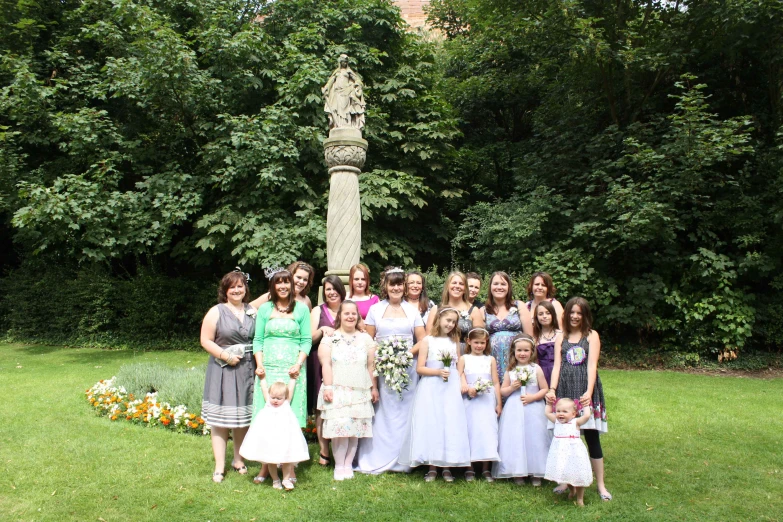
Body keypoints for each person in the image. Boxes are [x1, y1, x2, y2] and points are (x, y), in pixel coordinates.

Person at [355, 268, 426, 474]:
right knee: (384, 411)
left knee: (405, 410)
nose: (395, 288)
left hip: (407, 368)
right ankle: (379, 456)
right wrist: (383, 359)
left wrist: (404, 356)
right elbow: (369, 340)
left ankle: (404, 458)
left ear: (404, 287)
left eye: (399, 284)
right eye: (391, 284)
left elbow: (422, 340)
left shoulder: (412, 310)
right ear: (385, 286)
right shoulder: (376, 310)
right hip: (382, 367)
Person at [200, 270, 265, 483]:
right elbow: (205, 340)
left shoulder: (252, 310)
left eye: (240, 286)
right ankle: (220, 465)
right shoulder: (216, 311)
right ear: (225, 291)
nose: (237, 290)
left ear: (246, 289)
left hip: (247, 368)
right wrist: (225, 355)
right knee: (221, 420)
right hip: (224, 369)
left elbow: (272, 294)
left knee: (243, 417)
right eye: (232, 287)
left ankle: (238, 459)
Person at [545, 297, 611, 501]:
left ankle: (600, 485)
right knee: (565, 439)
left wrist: (589, 392)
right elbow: (557, 366)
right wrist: (552, 389)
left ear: (585, 315)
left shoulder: (591, 336)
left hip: (584, 391)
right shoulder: (561, 337)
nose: (575, 316)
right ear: (566, 314)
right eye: (571, 312)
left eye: (579, 313)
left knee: (592, 439)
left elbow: (592, 366)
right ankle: (565, 480)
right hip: (564, 390)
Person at [251, 269, 311, 484]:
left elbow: (306, 340)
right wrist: (259, 365)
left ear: (292, 286)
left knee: (289, 418)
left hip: (291, 369)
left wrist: (298, 363)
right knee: (266, 417)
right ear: (273, 286)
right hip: (268, 368)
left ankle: (290, 466)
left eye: (287, 282)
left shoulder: (302, 309)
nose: (284, 286)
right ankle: (265, 466)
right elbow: (257, 340)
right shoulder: (265, 309)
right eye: (279, 283)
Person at [398, 307, 471, 482]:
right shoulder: (427, 341)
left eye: (454, 322)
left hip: (450, 386)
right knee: (432, 421)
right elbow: (420, 368)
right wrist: (437, 372)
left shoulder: (454, 342)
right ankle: (431, 466)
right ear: (439, 319)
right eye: (448, 320)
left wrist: (461, 381)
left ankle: (446, 466)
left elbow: (458, 366)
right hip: (431, 386)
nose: (450, 324)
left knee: (448, 421)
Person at [318, 301, 379, 480]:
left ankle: (348, 465)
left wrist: (373, 387)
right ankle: (339, 466)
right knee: (339, 430)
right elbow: (326, 364)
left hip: (359, 390)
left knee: (355, 431)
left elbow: (371, 365)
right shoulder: (330, 338)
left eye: (354, 314)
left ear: (358, 317)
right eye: (347, 313)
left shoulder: (366, 339)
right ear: (340, 316)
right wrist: (328, 386)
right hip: (337, 389)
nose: (351, 316)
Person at [492, 334, 550, 485]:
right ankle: (517, 471)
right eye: (519, 350)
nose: (522, 353)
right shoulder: (510, 370)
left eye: (526, 350)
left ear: (532, 352)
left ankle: (536, 471)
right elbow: (502, 391)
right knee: (515, 437)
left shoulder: (535, 369)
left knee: (535, 437)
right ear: (513, 352)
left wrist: (533, 397)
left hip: (534, 407)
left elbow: (545, 389)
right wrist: (512, 387)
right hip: (514, 408)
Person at [239, 379, 309, 491]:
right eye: (273, 397)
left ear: (285, 398)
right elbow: (264, 387)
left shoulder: (286, 404)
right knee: (270, 460)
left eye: (279, 398)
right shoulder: (268, 404)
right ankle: (275, 479)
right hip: (270, 438)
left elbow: (290, 388)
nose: (275, 401)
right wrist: (262, 379)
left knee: (287, 459)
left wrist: (292, 379)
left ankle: (286, 479)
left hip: (284, 438)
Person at [309, 274, 346, 467]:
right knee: (321, 407)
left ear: (341, 291)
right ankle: (324, 451)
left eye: (334, 289)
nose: (331, 293)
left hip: (344, 364)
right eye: (328, 290)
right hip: (319, 362)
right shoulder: (318, 310)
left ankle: (342, 449)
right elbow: (308, 338)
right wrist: (322, 329)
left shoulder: (348, 309)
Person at [458, 328, 501, 482]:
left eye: (482, 343)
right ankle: (469, 467)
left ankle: (485, 468)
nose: (479, 346)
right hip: (470, 398)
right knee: (470, 430)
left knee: (487, 430)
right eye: (476, 342)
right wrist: (465, 385)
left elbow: (495, 381)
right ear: (469, 342)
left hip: (487, 399)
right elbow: (459, 374)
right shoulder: (464, 358)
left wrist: (499, 403)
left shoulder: (490, 359)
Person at [483, 271, 534, 387]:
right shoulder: (484, 310)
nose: (499, 287)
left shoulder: (519, 305)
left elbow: (529, 337)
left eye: (503, 284)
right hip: (493, 358)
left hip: (516, 357)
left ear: (509, 287)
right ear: (490, 287)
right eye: (496, 284)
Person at [544, 399, 594, 506]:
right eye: (558, 411)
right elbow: (547, 413)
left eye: (565, 411)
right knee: (567, 474)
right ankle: (572, 491)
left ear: (573, 414)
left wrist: (586, 405)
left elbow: (586, 416)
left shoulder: (575, 422)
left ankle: (580, 498)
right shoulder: (556, 421)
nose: (560, 414)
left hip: (574, 454)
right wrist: (549, 404)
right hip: (562, 455)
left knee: (577, 476)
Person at [426, 271, 485, 352]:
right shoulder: (436, 309)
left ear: (465, 289)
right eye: (454, 283)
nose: (457, 286)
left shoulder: (474, 311)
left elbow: (480, 339)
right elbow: (429, 338)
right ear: (448, 286)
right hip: (440, 353)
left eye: (461, 284)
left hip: (465, 354)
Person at [322, 53, 366, 130]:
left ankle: (347, 124)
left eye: (345, 62)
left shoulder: (348, 71)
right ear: (340, 62)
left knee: (346, 109)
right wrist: (326, 88)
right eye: (343, 62)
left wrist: (356, 85)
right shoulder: (337, 72)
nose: (344, 63)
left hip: (346, 91)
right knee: (338, 108)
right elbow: (331, 81)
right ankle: (338, 124)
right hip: (337, 92)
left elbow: (357, 80)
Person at [533, 300, 561, 385]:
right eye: (540, 314)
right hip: (543, 373)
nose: (544, 316)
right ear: (536, 317)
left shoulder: (561, 335)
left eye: (548, 313)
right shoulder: (535, 338)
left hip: (560, 371)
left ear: (553, 315)